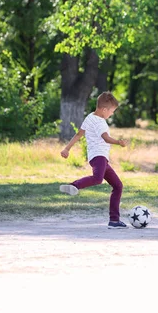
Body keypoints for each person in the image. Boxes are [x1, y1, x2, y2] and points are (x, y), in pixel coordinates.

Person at [59, 91, 128, 229]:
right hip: (99, 156)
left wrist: (67, 148)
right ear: (104, 109)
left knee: (118, 186)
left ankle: (114, 221)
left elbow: (79, 134)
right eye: (112, 111)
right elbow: (106, 138)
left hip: (98, 158)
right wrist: (119, 142)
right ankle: (74, 185)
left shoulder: (90, 117)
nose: (112, 114)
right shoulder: (100, 122)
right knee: (97, 179)